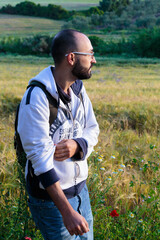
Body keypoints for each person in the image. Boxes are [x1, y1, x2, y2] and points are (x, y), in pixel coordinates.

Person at [18, 29, 99, 240]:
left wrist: (77, 145)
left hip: (81, 192)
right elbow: (40, 161)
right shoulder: (36, 97)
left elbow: (93, 128)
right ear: (71, 58)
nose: (94, 60)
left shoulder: (78, 89)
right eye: (89, 54)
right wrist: (67, 212)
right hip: (52, 201)